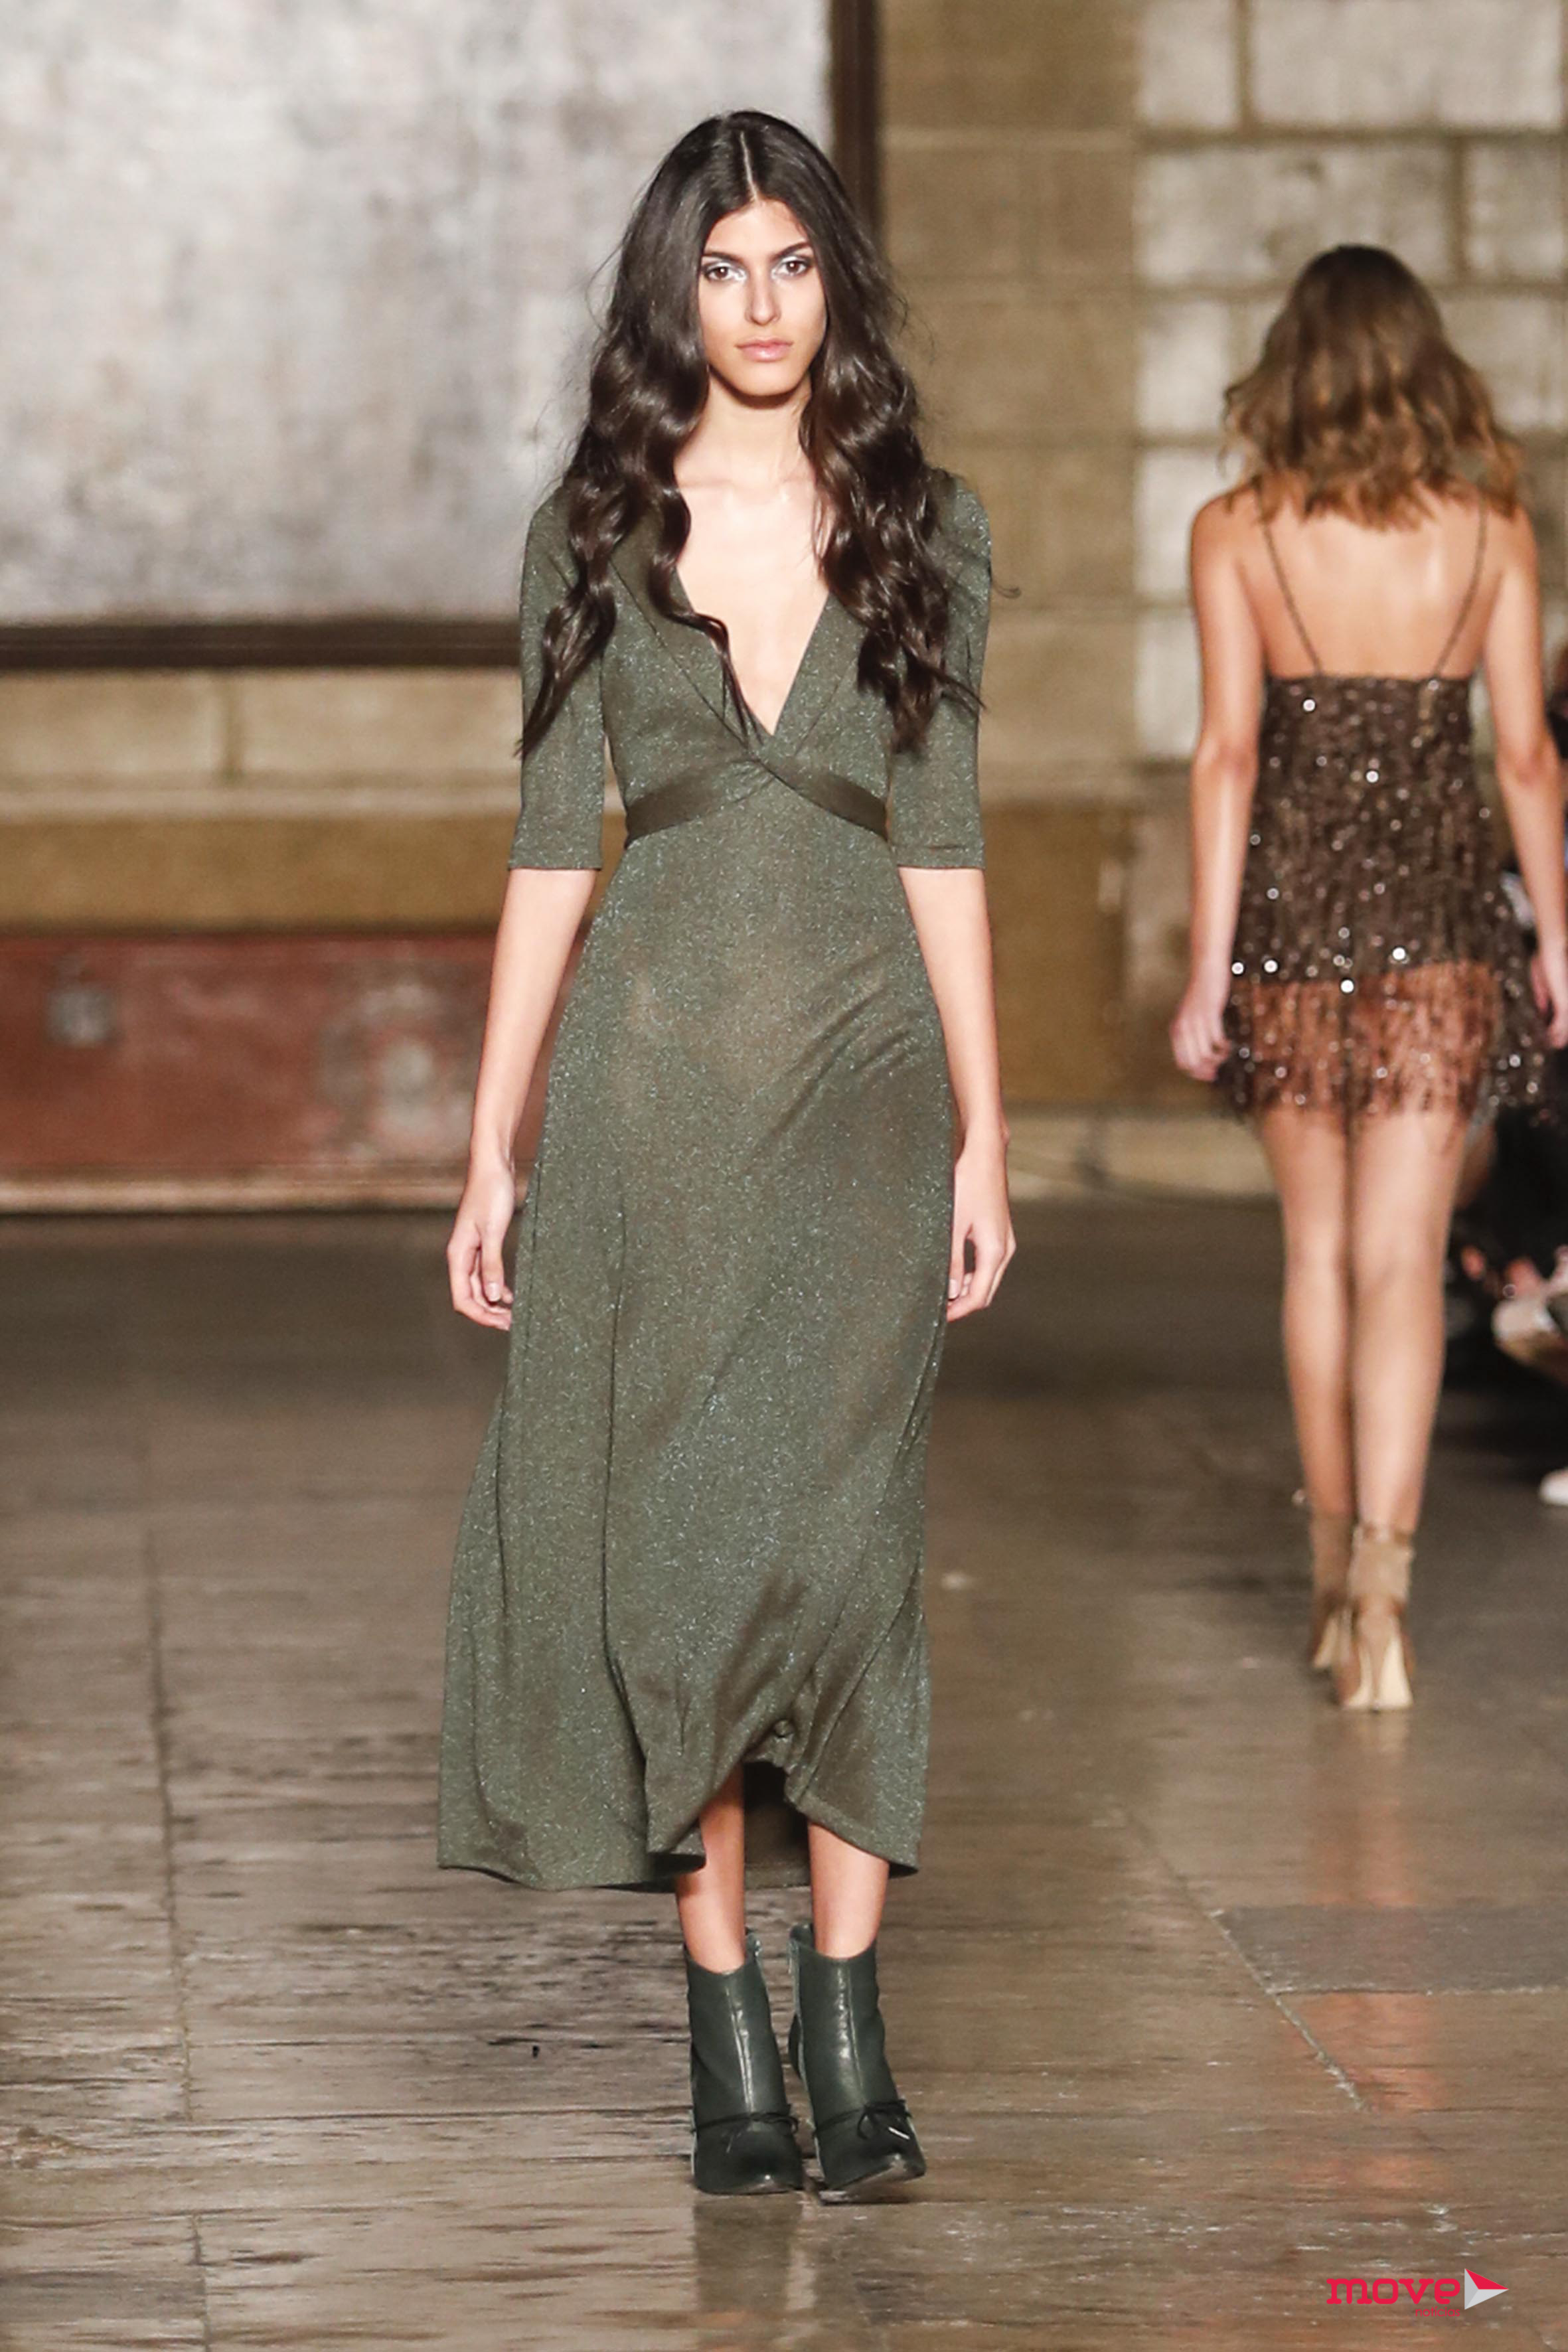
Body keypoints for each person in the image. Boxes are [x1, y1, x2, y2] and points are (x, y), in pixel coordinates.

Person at [437, 112, 1012, 2200]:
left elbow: (942, 840)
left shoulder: (926, 527)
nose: (761, 307)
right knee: (676, 1566)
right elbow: (544, 852)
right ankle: (723, 2028)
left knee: (848, 1554)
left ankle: (847, 2017)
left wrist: (988, 1134)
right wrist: (490, 1146)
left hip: (868, 1100)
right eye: (722, 268)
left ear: (831, 282)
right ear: (669, 293)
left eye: (791, 265)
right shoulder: (592, 533)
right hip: (650, 1102)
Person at [1170, 244, 1568, 1711]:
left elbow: (1224, 756)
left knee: (1318, 1259)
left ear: (1293, 367)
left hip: (1288, 924)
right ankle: (1386, 1606)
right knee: (1401, 1263)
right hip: (1444, 927)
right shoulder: (1490, 533)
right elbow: (1523, 757)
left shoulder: (1235, 530)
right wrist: (1558, 941)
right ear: (1420, 366)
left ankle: (1332, 1585)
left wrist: (1206, 968)